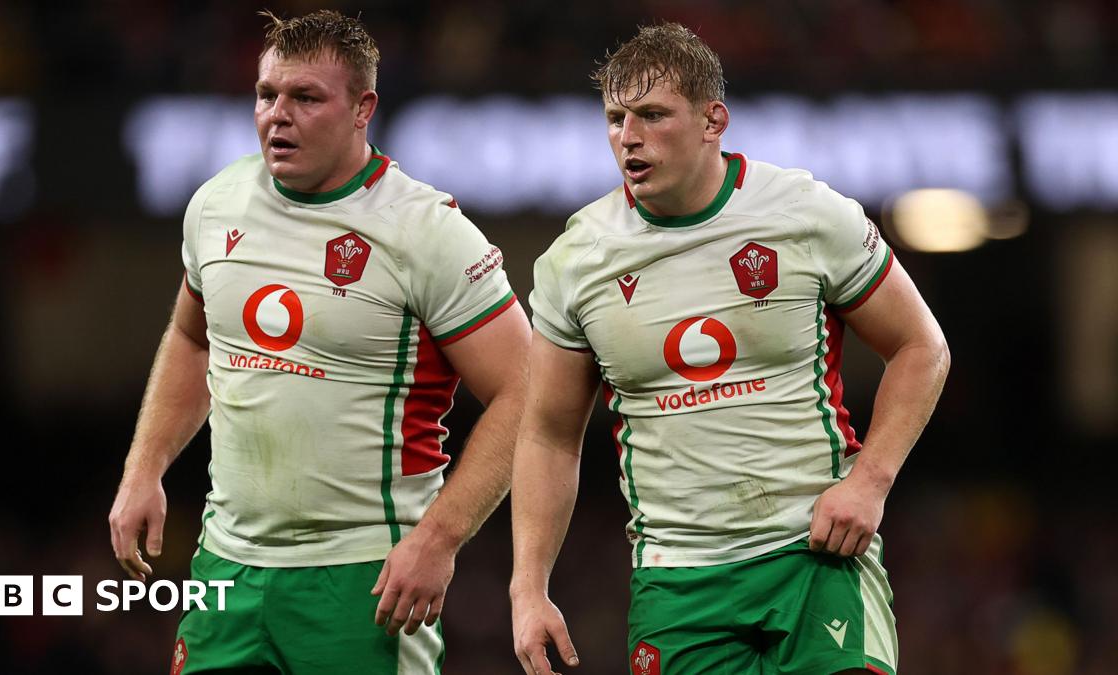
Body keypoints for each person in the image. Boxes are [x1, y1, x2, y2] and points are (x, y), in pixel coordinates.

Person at [510, 23, 949, 675]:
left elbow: (922, 345)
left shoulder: (804, 213)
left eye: (652, 115)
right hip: (679, 585)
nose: (628, 137)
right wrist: (528, 585)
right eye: (614, 118)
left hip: (815, 557)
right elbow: (548, 434)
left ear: (713, 120)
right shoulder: (577, 261)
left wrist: (870, 480)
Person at [107, 10, 530, 674]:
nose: (279, 114)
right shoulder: (218, 203)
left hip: (363, 576)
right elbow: (192, 338)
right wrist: (144, 469)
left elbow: (525, 390)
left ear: (363, 108)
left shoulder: (425, 231)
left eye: (306, 97)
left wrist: (439, 540)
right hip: (229, 568)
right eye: (267, 94)